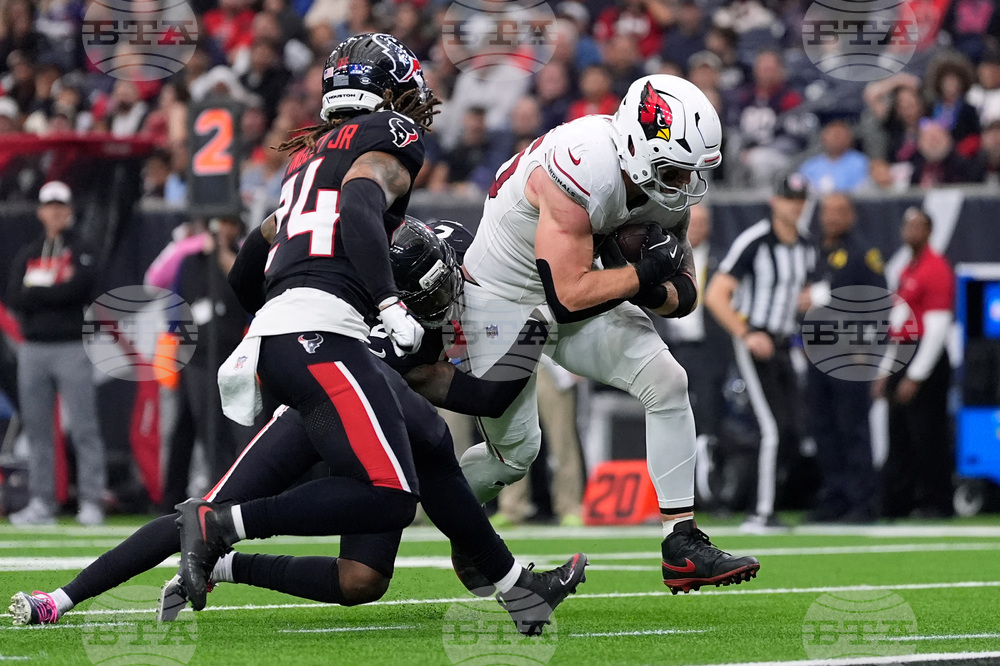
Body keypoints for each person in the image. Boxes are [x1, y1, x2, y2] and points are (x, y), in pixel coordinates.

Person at [10, 219, 586, 637]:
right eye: (429, 291)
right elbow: (481, 392)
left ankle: (229, 562)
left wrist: (528, 327)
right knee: (207, 509)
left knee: (362, 580)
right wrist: (536, 333)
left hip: (371, 427)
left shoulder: (439, 280)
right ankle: (62, 598)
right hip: (320, 403)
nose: (444, 299)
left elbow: (485, 393)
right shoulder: (379, 311)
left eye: (445, 284)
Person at [457, 73, 760, 592]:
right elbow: (567, 295)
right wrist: (643, 274)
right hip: (501, 300)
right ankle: (429, 503)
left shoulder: (660, 182)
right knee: (516, 456)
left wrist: (645, 285)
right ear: (641, 148)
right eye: (674, 171)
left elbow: (683, 296)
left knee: (667, 380)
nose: (684, 186)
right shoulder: (580, 166)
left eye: (691, 173)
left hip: (581, 291)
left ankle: (681, 544)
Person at [704, 173, 816, 533]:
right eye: (788, 198)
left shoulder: (805, 246)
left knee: (790, 428)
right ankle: (759, 513)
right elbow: (716, 295)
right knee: (770, 428)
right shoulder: (754, 242)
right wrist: (747, 331)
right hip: (755, 339)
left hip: (784, 343)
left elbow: (802, 293)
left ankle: (766, 505)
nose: (794, 206)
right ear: (775, 201)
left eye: (800, 199)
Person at [5, 181, 106, 526]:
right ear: (40, 212)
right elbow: (16, 296)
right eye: (49, 206)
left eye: (61, 205)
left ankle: (92, 499)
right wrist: (56, 291)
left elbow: (84, 286)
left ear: (69, 210)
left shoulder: (81, 249)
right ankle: (41, 501)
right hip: (33, 349)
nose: (56, 211)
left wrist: (43, 291)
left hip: (70, 346)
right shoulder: (31, 251)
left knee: (83, 427)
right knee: (37, 430)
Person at [800, 193, 885, 523]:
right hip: (818, 352)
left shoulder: (864, 253)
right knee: (823, 427)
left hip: (850, 353)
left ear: (851, 215)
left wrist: (868, 350)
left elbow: (877, 302)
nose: (831, 217)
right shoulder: (817, 251)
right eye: (827, 211)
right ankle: (835, 497)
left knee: (853, 428)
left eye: (839, 211)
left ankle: (863, 501)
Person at [873, 207, 956, 519]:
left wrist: (916, 375)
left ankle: (936, 501)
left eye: (918, 226)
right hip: (905, 351)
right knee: (901, 435)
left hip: (925, 357)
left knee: (928, 434)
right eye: (907, 225)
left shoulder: (935, 268)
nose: (910, 231)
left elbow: (936, 328)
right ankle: (902, 501)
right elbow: (900, 323)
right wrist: (886, 370)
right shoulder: (908, 269)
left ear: (929, 231)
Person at [653, 203, 731, 443]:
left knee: (707, 415)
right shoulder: (664, 256)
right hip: (672, 347)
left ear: (709, 227)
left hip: (707, 349)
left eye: (701, 223)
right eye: (691, 223)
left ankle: (706, 470)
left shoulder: (723, 260)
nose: (695, 228)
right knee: (669, 412)